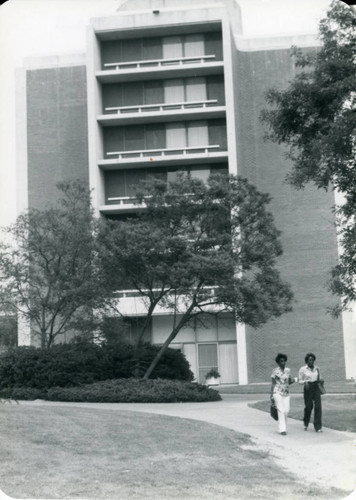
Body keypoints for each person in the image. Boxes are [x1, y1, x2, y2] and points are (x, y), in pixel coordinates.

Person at [270, 353, 296, 435]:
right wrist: (271, 395)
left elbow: (289, 381)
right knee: (280, 410)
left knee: (286, 410)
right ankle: (282, 429)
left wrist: (296, 379)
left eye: (284, 361)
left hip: (286, 393)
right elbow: (273, 383)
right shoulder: (275, 371)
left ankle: (283, 426)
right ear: (278, 362)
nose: (283, 363)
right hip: (277, 392)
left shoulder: (288, 370)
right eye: (281, 361)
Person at [298, 353, 323, 432]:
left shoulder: (317, 368)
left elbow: (320, 378)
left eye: (312, 360)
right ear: (306, 361)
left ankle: (318, 427)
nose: (311, 361)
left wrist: (321, 381)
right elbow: (299, 380)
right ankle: (306, 422)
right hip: (308, 387)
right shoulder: (303, 369)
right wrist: (305, 382)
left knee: (318, 406)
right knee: (309, 407)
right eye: (309, 360)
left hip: (316, 387)